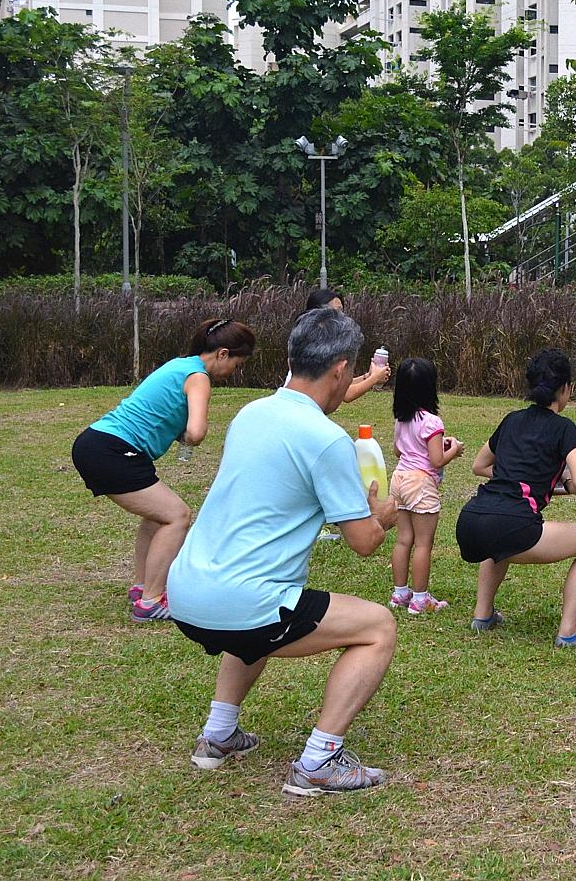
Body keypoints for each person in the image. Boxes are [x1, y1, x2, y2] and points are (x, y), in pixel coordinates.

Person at [166, 307, 400, 796]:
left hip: (185, 590)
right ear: (340, 370)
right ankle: (319, 762)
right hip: (239, 602)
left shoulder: (253, 413)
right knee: (378, 625)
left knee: (257, 616)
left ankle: (218, 735)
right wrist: (384, 514)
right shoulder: (324, 439)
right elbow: (363, 543)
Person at [71, 318, 254, 623]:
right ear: (223, 354)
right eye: (237, 364)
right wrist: (188, 434)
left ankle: (144, 586)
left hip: (97, 442)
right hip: (113, 451)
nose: (234, 372)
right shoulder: (198, 377)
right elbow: (195, 432)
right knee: (177, 516)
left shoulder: (180, 364)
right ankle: (151, 602)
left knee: (158, 517)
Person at [454, 348, 576, 647]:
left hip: (471, 520)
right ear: (565, 389)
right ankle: (569, 633)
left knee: (498, 543)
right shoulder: (564, 428)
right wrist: (557, 485)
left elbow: (479, 466)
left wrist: (520, 480)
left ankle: (482, 615)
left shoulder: (512, 419)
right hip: (513, 523)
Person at [388, 357, 463, 615]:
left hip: (399, 480)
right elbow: (437, 459)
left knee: (403, 540)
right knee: (423, 544)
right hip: (421, 484)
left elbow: (399, 451)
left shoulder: (401, 419)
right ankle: (420, 599)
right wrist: (454, 449)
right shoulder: (432, 422)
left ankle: (400, 594)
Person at [299, 289, 390, 401]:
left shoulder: (315, 340)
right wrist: (375, 378)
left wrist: (368, 376)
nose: (342, 316)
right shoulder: (317, 347)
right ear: (318, 313)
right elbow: (346, 394)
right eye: (337, 311)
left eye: (342, 311)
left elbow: (338, 383)